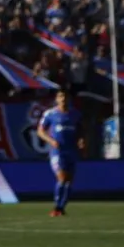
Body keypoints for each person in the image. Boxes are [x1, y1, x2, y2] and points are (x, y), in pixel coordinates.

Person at [37, 88, 84, 217]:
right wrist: (51, 141)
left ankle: (61, 208)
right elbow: (40, 131)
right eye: (61, 96)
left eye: (65, 96)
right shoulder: (50, 114)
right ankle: (57, 207)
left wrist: (81, 140)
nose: (63, 99)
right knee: (62, 178)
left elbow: (81, 130)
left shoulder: (75, 114)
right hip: (58, 152)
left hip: (72, 150)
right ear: (56, 99)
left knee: (69, 181)